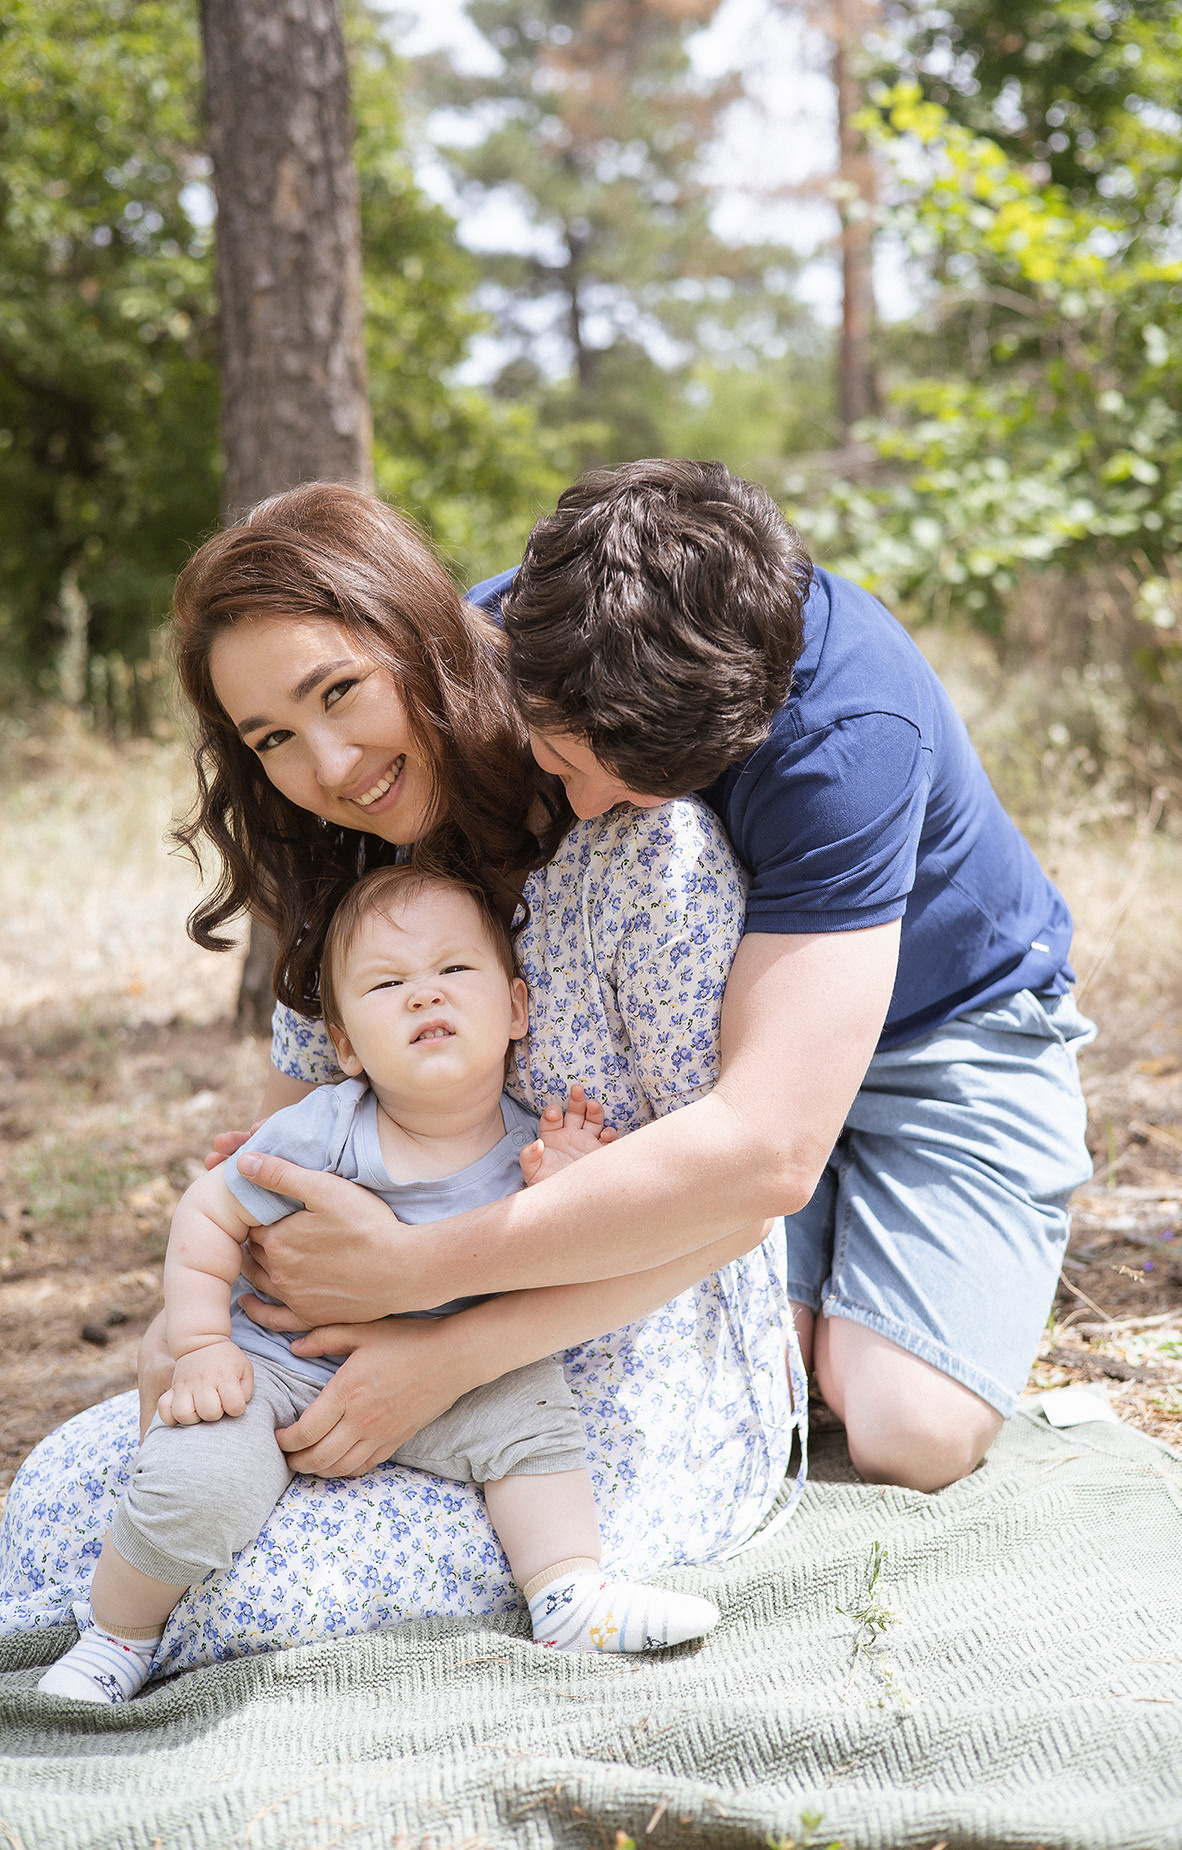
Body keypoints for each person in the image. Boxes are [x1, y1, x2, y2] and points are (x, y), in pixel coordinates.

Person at [0, 482, 794, 1675]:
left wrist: (447, 1350)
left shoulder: (639, 844)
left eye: (339, 692)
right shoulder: (351, 877)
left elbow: (730, 1202)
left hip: (590, 1372)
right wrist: (193, 1329)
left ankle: (567, 1591)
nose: (324, 762)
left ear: (419, 638)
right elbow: (278, 1168)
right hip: (336, 1351)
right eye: (269, 737)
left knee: (253, 1587)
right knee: (75, 1490)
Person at [245, 461, 1094, 1495]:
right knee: (734, 1354)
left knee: (905, 1428)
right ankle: (813, 1296)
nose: (588, 809)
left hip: (945, 1033)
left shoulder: (844, 735)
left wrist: (424, 1272)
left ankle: (900, 1273)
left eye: (635, 784)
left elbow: (768, 1152)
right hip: (708, 1059)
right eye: (561, 764)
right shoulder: (508, 640)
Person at [38, 868, 719, 1703]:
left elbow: (587, 1248)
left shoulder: (528, 1146)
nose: (424, 996)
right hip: (281, 1366)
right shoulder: (325, 1127)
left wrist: (573, 1184)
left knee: (536, 1413)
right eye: (388, 984)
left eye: (453, 972)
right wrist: (203, 1344)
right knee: (199, 1479)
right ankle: (117, 1636)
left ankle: (568, 1594)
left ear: (516, 1010)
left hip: (444, 1369)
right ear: (348, 1045)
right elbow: (208, 1215)